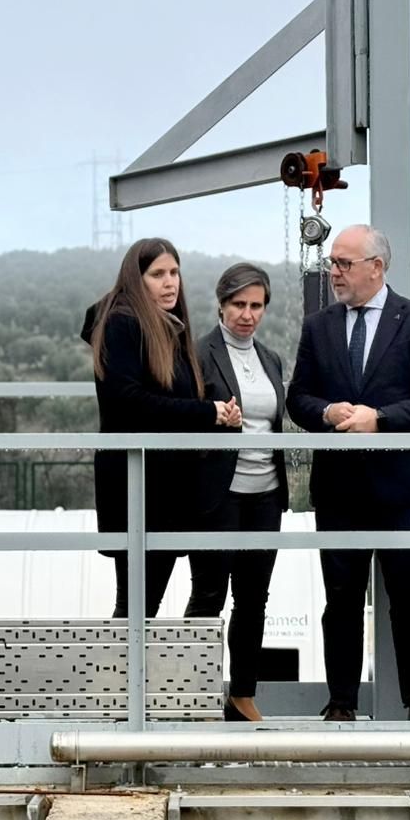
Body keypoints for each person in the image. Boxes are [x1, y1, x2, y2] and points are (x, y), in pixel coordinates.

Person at [287, 224, 410, 722]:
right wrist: (328, 413)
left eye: (343, 263)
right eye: (332, 263)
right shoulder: (318, 326)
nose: (333, 272)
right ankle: (341, 704)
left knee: (408, 594)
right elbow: (298, 399)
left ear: (376, 267)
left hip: (402, 486)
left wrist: (378, 420)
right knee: (340, 598)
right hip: (340, 487)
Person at [82, 237, 241, 618]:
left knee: (143, 604)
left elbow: (171, 398)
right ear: (136, 280)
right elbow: (129, 403)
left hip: (166, 485)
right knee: (136, 605)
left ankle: (133, 678)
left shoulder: (166, 328)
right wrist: (208, 414)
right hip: (137, 483)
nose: (170, 282)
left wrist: (220, 415)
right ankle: (118, 679)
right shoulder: (122, 324)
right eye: (157, 274)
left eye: (174, 272)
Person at [184, 263, 289, 722]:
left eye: (256, 306)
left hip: (266, 493)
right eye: (239, 305)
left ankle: (242, 694)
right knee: (209, 594)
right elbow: (183, 411)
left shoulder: (271, 360)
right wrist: (211, 413)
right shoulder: (198, 354)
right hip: (217, 493)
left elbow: (275, 418)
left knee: (254, 598)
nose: (247, 315)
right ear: (222, 305)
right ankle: (191, 694)